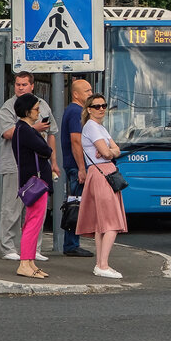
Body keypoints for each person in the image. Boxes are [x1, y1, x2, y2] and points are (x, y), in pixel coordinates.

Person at [0, 72, 58, 261]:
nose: (20, 87)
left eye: (24, 84)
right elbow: (9, 133)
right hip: (14, 163)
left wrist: (54, 162)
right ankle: (8, 248)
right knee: (11, 208)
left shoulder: (43, 105)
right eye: (17, 84)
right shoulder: (8, 108)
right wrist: (34, 129)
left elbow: (52, 133)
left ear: (32, 85)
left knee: (35, 208)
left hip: (38, 165)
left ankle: (34, 248)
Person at [75, 94, 128, 279]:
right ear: (89, 109)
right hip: (102, 174)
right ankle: (103, 264)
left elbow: (116, 150)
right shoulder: (92, 127)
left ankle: (100, 263)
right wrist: (109, 152)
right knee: (113, 222)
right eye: (97, 106)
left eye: (104, 105)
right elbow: (108, 152)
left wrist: (110, 152)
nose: (101, 109)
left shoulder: (99, 127)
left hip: (102, 174)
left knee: (101, 223)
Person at [12, 93, 54, 279]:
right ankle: (24, 263)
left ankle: (30, 262)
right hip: (35, 183)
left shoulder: (20, 129)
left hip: (30, 182)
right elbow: (46, 150)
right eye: (36, 109)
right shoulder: (26, 130)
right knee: (33, 223)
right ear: (27, 111)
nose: (38, 112)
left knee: (32, 222)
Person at [60, 78, 93, 257]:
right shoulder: (75, 111)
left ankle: (72, 243)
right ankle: (71, 245)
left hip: (74, 164)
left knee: (76, 203)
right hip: (75, 166)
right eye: (87, 91)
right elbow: (76, 140)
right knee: (75, 205)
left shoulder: (75, 110)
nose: (90, 93)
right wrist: (82, 167)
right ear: (76, 94)